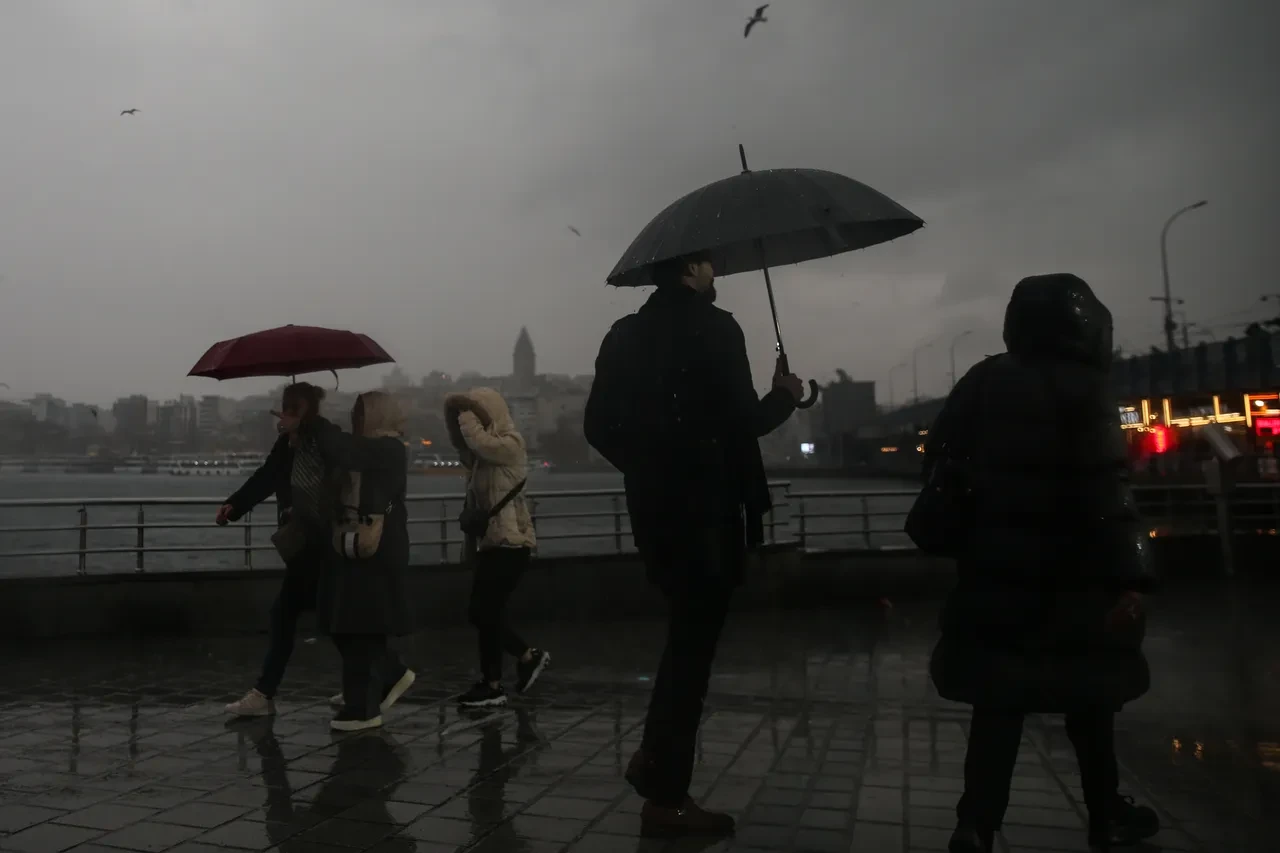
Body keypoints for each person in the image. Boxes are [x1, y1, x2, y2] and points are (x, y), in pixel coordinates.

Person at [924, 274, 1160, 853]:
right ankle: (1105, 815)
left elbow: (939, 455)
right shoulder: (1087, 388)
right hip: (1076, 576)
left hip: (996, 568)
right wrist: (1131, 578)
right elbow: (1110, 491)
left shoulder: (983, 380)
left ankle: (976, 823)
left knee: (997, 703)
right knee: (1090, 699)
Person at [583, 251, 802, 837]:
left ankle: (655, 761)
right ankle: (667, 794)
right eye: (707, 264)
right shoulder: (716, 327)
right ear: (688, 271)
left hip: (656, 513)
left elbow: (597, 427)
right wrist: (784, 396)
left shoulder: (623, 334)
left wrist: (650, 471)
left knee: (685, 635)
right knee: (692, 650)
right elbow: (740, 423)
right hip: (709, 510)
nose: (715, 273)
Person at [283, 390, 416, 731]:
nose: (355, 419)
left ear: (377, 415)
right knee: (346, 623)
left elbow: (344, 448)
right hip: (351, 545)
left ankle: (365, 705)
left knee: (361, 626)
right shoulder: (365, 450)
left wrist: (312, 420)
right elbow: (336, 468)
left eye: (361, 413)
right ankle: (380, 681)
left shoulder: (388, 450)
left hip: (377, 549)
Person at [218, 382, 333, 717]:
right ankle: (384, 674)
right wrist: (234, 506)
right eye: (283, 408)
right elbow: (266, 477)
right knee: (330, 615)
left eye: (291, 409)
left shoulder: (326, 439)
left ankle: (263, 693)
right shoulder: (288, 444)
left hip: (319, 541)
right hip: (301, 541)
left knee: (286, 615)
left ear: (307, 411)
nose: (283, 415)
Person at [444, 387, 549, 709]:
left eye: (476, 416)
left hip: (513, 542)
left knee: (482, 612)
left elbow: (480, 442)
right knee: (487, 614)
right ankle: (492, 683)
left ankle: (526, 657)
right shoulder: (480, 459)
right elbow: (472, 449)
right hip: (492, 542)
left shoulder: (510, 445)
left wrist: (463, 413)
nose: (469, 422)